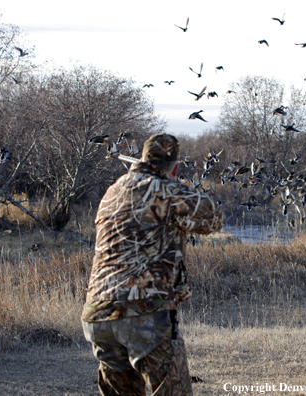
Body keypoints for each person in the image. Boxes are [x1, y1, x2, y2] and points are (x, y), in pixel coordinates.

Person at [82, 133, 225, 395]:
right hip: (143, 311)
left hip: (98, 314)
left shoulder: (112, 191)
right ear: (175, 166)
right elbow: (214, 218)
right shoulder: (164, 190)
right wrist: (180, 187)